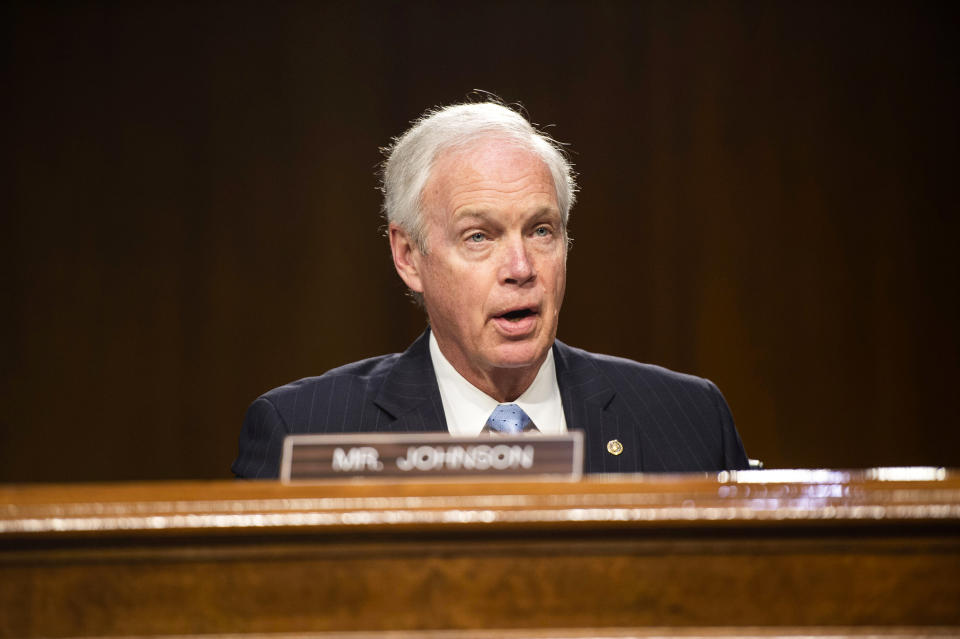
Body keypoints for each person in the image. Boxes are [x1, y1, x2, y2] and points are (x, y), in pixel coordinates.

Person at [232, 100, 749, 478]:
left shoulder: (688, 419)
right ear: (408, 256)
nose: (521, 267)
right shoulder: (304, 433)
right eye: (479, 236)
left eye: (541, 230)